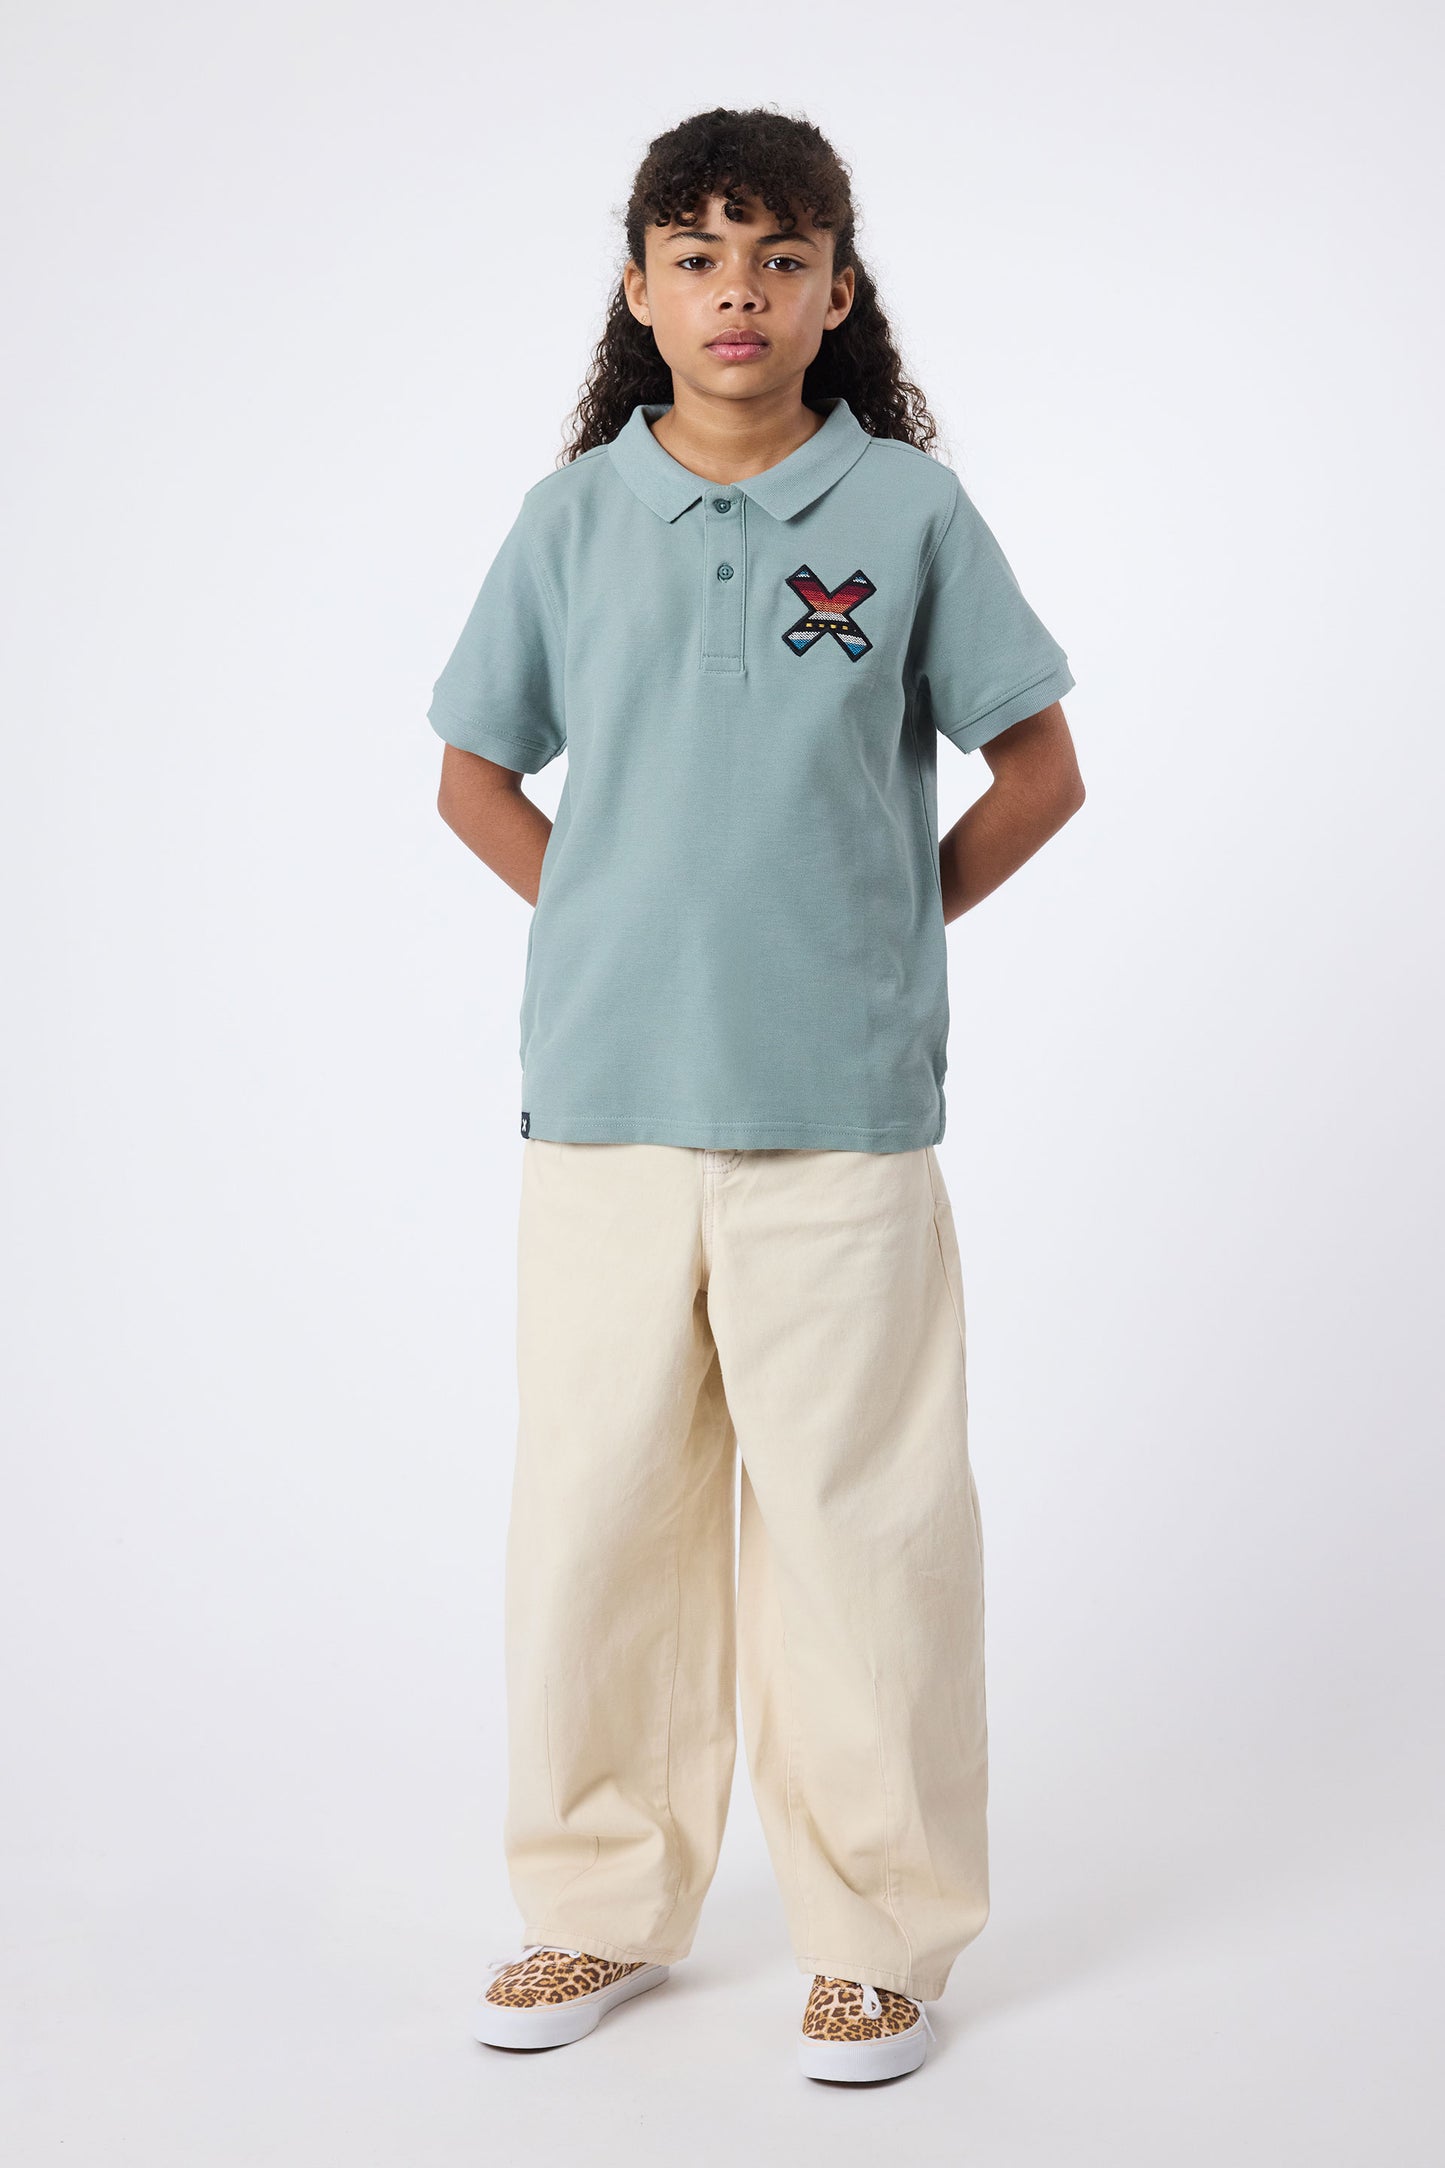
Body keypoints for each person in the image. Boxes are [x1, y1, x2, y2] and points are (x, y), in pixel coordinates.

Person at [428, 105, 1084, 2085]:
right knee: (596, 1522)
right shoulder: (571, 521)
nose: (741, 292)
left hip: (840, 1123)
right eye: (700, 256)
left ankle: (879, 1940)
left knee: (864, 1535)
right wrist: (610, 921)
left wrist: (883, 925)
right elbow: (473, 775)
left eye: (781, 257)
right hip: (606, 1108)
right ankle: (596, 1902)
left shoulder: (911, 515)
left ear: (837, 292)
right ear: (639, 292)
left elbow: (1040, 773)